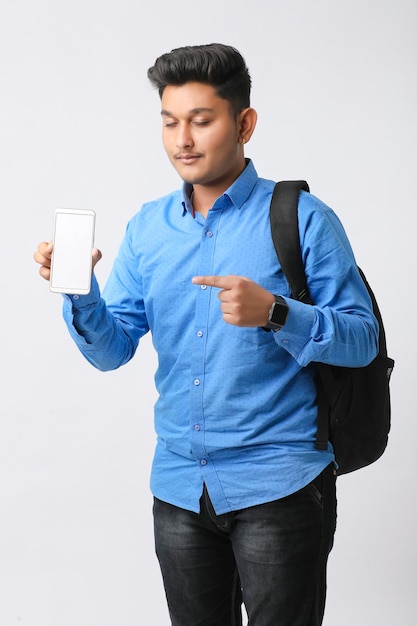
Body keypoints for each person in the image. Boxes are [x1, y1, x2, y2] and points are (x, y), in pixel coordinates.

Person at [34, 43, 379, 626]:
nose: (182, 141)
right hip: (178, 490)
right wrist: (80, 292)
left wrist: (277, 312)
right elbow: (113, 349)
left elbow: (362, 338)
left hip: (281, 483)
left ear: (244, 123)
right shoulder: (148, 228)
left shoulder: (304, 217)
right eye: (169, 122)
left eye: (201, 120)